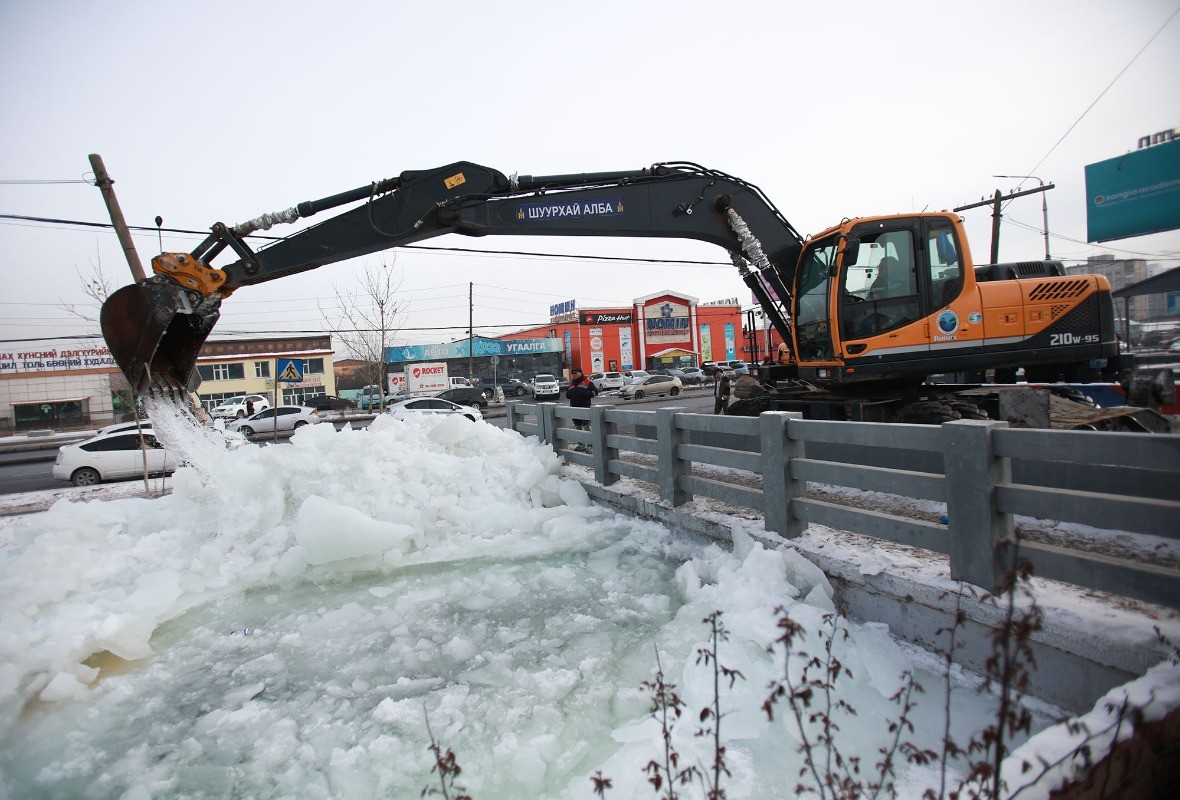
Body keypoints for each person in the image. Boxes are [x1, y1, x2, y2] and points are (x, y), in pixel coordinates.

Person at [567, 367, 599, 452]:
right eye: (572, 373)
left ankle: (591, 446)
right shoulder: (572, 384)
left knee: (587, 427)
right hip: (574, 409)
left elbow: (595, 392)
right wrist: (570, 394)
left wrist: (585, 394)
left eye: (575, 373)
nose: (573, 374)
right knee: (578, 427)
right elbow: (568, 395)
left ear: (581, 373)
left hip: (585, 409)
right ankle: (582, 445)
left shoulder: (587, 382)